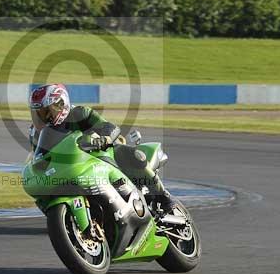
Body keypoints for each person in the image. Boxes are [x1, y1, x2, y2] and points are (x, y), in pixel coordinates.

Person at [28, 83, 176, 212]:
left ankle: (163, 196)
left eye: (47, 112)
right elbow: (39, 156)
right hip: (72, 166)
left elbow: (109, 127)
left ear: (61, 104)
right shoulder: (36, 133)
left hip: (100, 153)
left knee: (136, 156)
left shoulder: (79, 113)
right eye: (38, 113)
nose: (42, 118)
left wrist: (104, 139)